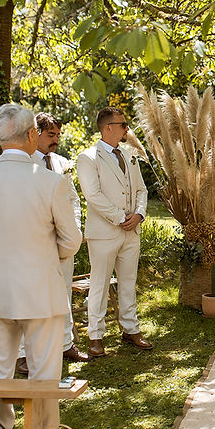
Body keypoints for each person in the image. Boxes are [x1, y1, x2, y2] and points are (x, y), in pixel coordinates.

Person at [0, 103, 82, 429]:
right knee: (45, 373)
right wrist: (48, 254)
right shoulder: (51, 181)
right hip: (41, 290)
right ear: (31, 134)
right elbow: (72, 239)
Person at [16, 113, 88, 375]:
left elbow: (73, 200)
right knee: (31, 297)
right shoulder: (23, 162)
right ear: (35, 134)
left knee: (63, 293)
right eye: (51, 135)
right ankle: (24, 354)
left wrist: (74, 229)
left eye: (58, 135)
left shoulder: (60, 162)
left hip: (64, 240)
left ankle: (65, 343)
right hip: (35, 242)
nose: (56, 140)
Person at [76, 106, 152, 357]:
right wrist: (120, 217)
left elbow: (141, 189)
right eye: (123, 124)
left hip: (131, 231)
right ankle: (95, 336)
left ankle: (130, 329)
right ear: (108, 127)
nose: (127, 129)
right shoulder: (88, 157)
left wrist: (139, 214)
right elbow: (93, 195)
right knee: (100, 283)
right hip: (105, 232)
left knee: (129, 282)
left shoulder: (129, 155)